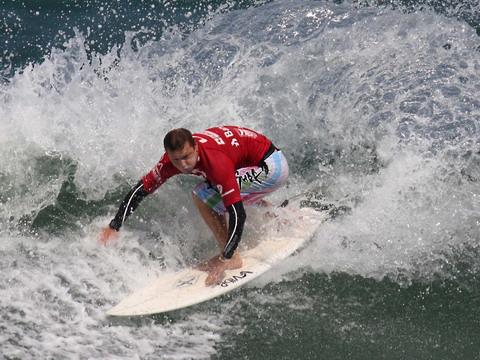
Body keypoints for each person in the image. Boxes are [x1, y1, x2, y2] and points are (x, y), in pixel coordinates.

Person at [99, 125, 289, 286]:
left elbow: (238, 214)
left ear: (195, 147)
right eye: (176, 160)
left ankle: (233, 258)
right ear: (168, 155)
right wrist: (115, 224)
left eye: (187, 157)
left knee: (203, 195)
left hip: (271, 167)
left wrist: (226, 257)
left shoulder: (216, 162)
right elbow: (142, 189)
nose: (183, 165)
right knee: (221, 186)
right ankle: (272, 213)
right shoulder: (169, 162)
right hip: (252, 161)